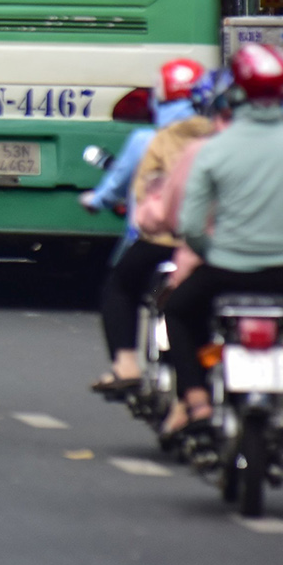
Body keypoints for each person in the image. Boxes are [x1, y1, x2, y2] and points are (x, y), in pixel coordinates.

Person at [156, 43, 283, 444]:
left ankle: (197, 403)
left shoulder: (213, 150)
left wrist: (217, 254)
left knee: (176, 310)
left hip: (225, 270)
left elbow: (191, 225)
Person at [88, 58, 212, 397]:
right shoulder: (221, 135)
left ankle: (126, 363)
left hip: (164, 237)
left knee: (120, 286)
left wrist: (97, 201)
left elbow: (123, 187)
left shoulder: (151, 138)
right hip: (220, 246)